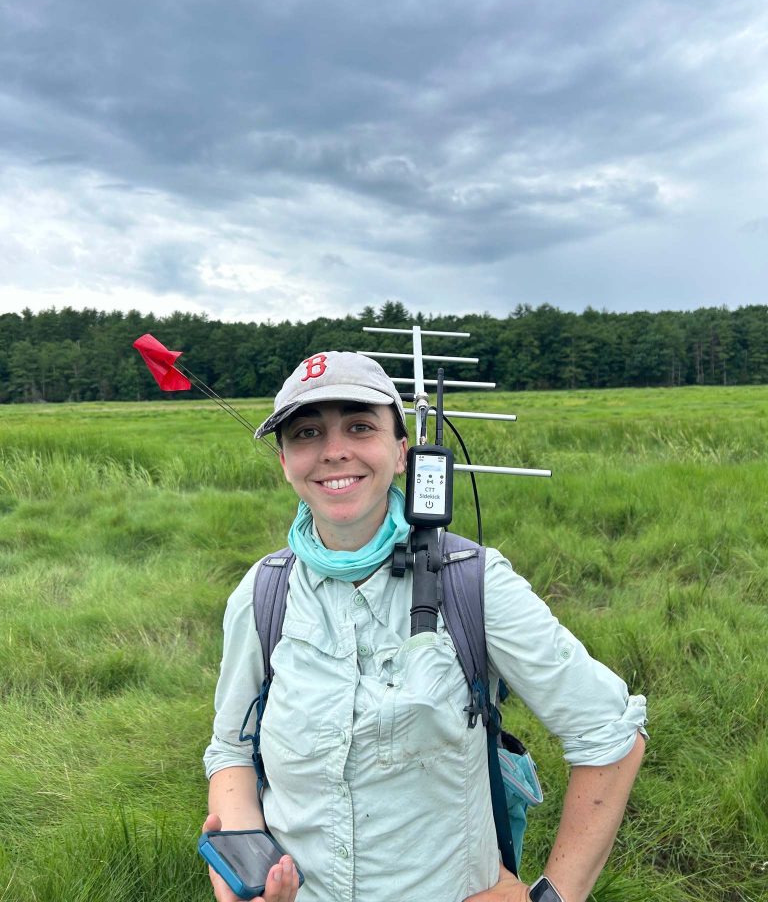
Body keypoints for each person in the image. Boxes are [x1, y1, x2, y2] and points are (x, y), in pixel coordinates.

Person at [203, 351, 648, 902]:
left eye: (359, 426)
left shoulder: (474, 582)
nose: (333, 450)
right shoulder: (263, 592)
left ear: (400, 454)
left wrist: (556, 895)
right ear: (286, 461)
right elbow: (231, 751)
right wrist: (245, 870)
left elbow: (608, 733)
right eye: (307, 432)